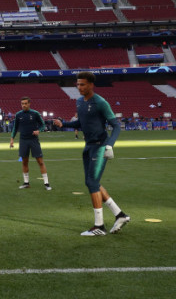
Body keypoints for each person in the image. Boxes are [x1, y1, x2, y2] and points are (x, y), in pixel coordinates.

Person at [53, 72, 130, 237]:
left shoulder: (100, 102)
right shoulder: (79, 102)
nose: (79, 87)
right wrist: (63, 124)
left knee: (92, 182)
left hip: (100, 147)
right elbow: (80, 123)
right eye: (78, 84)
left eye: (82, 84)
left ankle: (99, 226)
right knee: (92, 183)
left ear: (91, 85)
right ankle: (120, 215)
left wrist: (110, 145)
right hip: (88, 147)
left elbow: (116, 126)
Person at [9, 97, 51, 190]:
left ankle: (47, 184)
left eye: (25, 103)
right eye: (22, 103)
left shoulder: (35, 113)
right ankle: (26, 183)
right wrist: (12, 139)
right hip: (23, 140)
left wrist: (38, 130)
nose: (23, 105)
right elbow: (15, 128)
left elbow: (42, 124)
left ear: (29, 104)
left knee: (40, 161)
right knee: (24, 162)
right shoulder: (18, 115)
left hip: (34, 140)